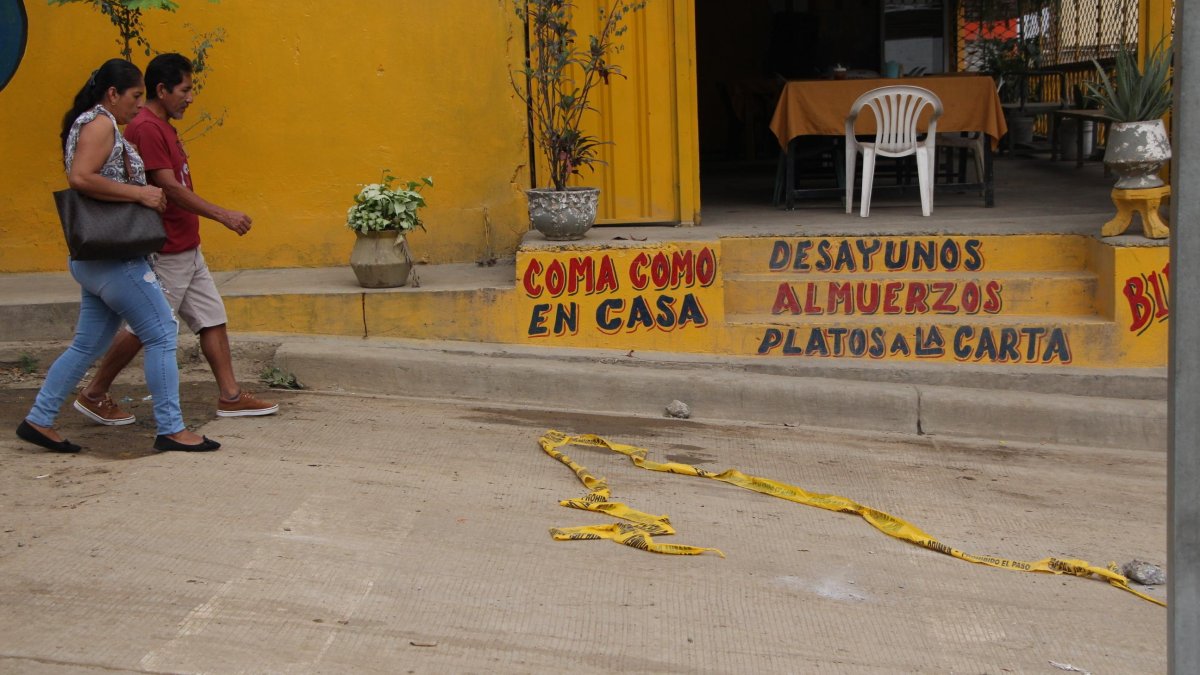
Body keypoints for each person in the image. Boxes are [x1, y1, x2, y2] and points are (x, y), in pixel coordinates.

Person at [16, 58, 220, 453]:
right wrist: (140, 193)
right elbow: (80, 177)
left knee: (86, 345)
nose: (138, 106)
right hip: (115, 258)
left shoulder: (88, 122)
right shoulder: (101, 123)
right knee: (161, 331)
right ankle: (172, 428)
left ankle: (40, 419)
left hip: (94, 257)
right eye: (135, 96)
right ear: (113, 94)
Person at [74, 53, 276, 425]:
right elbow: (167, 186)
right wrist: (223, 215)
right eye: (185, 89)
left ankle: (230, 396)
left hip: (186, 242)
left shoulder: (161, 124)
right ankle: (95, 392)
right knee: (145, 327)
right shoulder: (148, 127)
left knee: (212, 317)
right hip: (165, 247)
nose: (191, 97)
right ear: (162, 90)